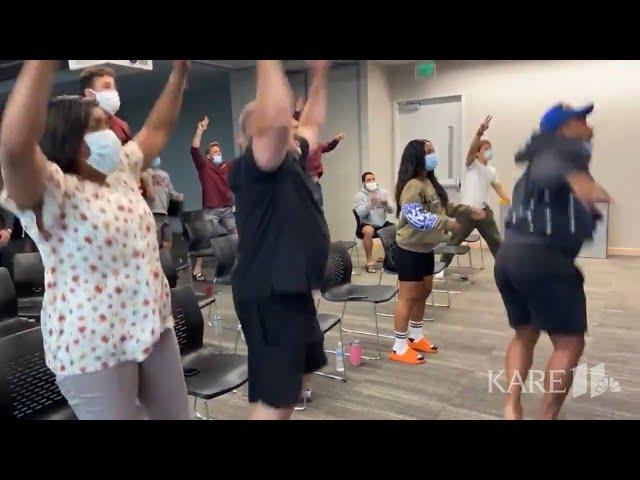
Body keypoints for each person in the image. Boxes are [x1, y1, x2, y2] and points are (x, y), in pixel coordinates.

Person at [0, 60, 190, 420]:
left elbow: (158, 129)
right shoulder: (51, 189)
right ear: (70, 140)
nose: (112, 135)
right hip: (92, 348)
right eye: (99, 128)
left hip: (152, 325)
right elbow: (14, 146)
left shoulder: (118, 170)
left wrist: (180, 73)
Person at [494, 103, 609, 420]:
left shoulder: (530, 169)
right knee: (569, 343)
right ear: (563, 129)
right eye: (580, 119)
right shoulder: (564, 153)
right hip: (542, 259)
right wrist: (590, 192)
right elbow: (570, 181)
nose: (588, 125)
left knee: (524, 334)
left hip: (509, 257)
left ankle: (512, 406)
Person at [230, 60, 330, 420]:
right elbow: (274, 119)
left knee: (294, 384)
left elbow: (312, 122)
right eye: (281, 122)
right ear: (249, 138)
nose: (290, 125)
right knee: (278, 397)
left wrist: (319, 75)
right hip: (268, 294)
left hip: (292, 290)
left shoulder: (290, 157)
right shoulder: (253, 169)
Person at [392, 139, 485, 365]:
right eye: (427, 152)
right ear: (416, 156)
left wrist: (468, 210)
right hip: (409, 249)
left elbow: (442, 207)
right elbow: (415, 217)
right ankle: (399, 346)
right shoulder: (413, 185)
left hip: (426, 248)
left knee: (424, 292)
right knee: (408, 296)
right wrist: (447, 223)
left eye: (433, 151)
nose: (433, 155)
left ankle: (415, 335)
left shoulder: (429, 183)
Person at [440, 115, 511, 268]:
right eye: (485, 149)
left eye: (490, 149)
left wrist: (511, 202)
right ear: (478, 153)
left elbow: (499, 189)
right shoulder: (471, 165)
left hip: (484, 212)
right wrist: (480, 132)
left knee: (496, 241)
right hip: (467, 212)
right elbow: (471, 149)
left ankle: (506, 269)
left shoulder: (492, 171)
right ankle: (441, 269)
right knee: (454, 240)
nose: (489, 151)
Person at [190, 116, 236, 281]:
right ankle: (196, 269)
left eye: (220, 151)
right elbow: (194, 150)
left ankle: (236, 268)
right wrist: (200, 130)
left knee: (235, 236)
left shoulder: (226, 167)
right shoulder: (204, 167)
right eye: (215, 152)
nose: (219, 154)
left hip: (227, 209)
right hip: (211, 209)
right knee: (205, 239)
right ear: (209, 156)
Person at [80, 65, 132, 145]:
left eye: (114, 88)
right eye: (107, 86)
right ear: (90, 94)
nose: (113, 92)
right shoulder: (76, 126)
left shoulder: (122, 126)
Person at [354, 171, 394, 273]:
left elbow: (391, 210)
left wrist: (386, 204)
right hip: (366, 223)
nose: (372, 181)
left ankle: (391, 260)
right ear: (363, 183)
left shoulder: (383, 192)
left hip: (381, 223)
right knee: (368, 231)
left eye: (373, 179)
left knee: (396, 229)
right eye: (369, 180)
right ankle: (369, 261)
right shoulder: (359, 196)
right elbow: (361, 214)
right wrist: (370, 204)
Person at [143, 157, 184, 250]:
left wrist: (178, 196)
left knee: (167, 240)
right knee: (155, 241)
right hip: (152, 212)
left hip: (164, 212)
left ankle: (165, 260)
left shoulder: (165, 175)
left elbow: (171, 191)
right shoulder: (146, 174)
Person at [305, 132, 345, 208]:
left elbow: (329, 146)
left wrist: (336, 140)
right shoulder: (299, 146)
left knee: (317, 203)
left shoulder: (318, 146)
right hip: (302, 178)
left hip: (314, 179)